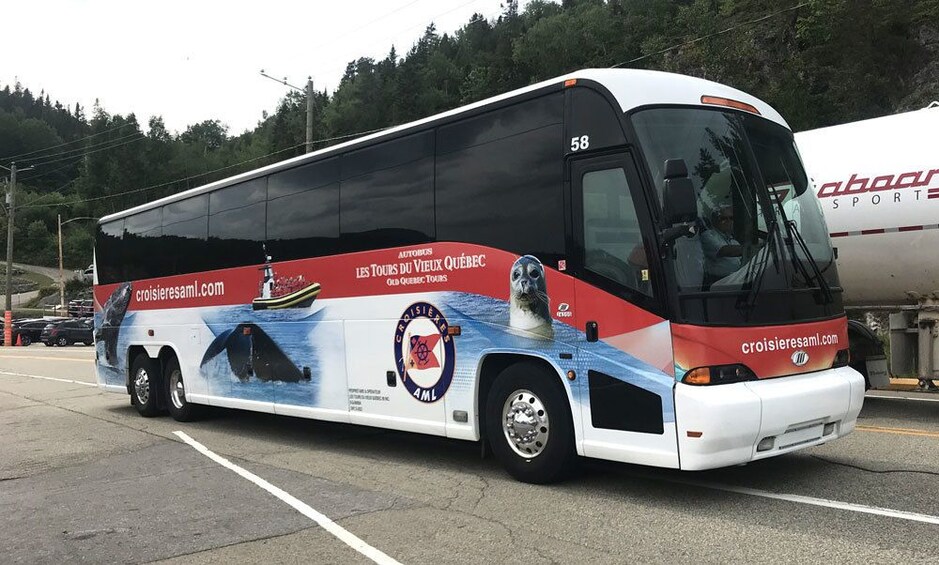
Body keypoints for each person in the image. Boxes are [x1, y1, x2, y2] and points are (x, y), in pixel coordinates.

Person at [701, 205, 743, 281]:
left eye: (731, 218)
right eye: (723, 218)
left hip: (736, 279)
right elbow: (723, 250)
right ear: (714, 220)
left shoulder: (733, 241)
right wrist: (750, 248)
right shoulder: (708, 235)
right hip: (717, 283)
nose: (729, 221)